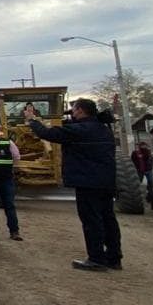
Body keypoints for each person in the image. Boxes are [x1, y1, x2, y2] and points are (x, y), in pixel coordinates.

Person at [24, 99, 121, 271]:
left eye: (73, 110)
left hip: (87, 182)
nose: (72, 113)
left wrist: (32, 120)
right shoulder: (103, 129)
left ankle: (96, 259)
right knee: (108, 219)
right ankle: (114, 257)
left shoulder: (80, 130)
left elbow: (47, 134)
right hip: (106, 181)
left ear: (81, 111)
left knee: (91, 220)